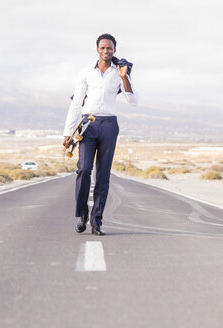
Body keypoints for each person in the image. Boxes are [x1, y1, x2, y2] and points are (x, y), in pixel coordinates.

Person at [62, 33, 138, 236]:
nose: (106, 51)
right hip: (88, 123)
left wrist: (124, 78)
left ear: (114, 50)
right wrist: (68, 132)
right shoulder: (86, 73)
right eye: (103, 47)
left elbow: (133, 100)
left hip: (109, 125)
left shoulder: (120, 72)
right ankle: (82, 215)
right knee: (84, 169)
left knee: (103, 175)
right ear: (97, 50)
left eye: (109, 48)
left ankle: (97, 221)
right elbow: (76, 103)